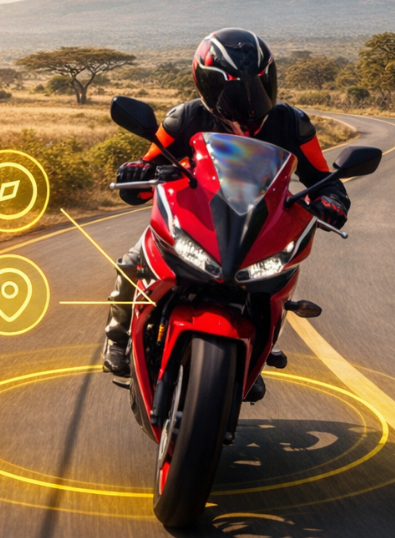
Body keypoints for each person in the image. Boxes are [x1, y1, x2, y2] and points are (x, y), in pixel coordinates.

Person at [103, 28, 350, 378]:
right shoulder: (185, 118)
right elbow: (149, 168)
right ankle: (117, 337)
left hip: (261, 227)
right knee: (134, 261)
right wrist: (136, 175)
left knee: (279, 281)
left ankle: (260, 345)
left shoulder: (293, 124)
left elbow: (324, 178)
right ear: (207, 85)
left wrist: (333, 201)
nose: (249, 99)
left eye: (257, 85)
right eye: (235, 89)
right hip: (196, 218)